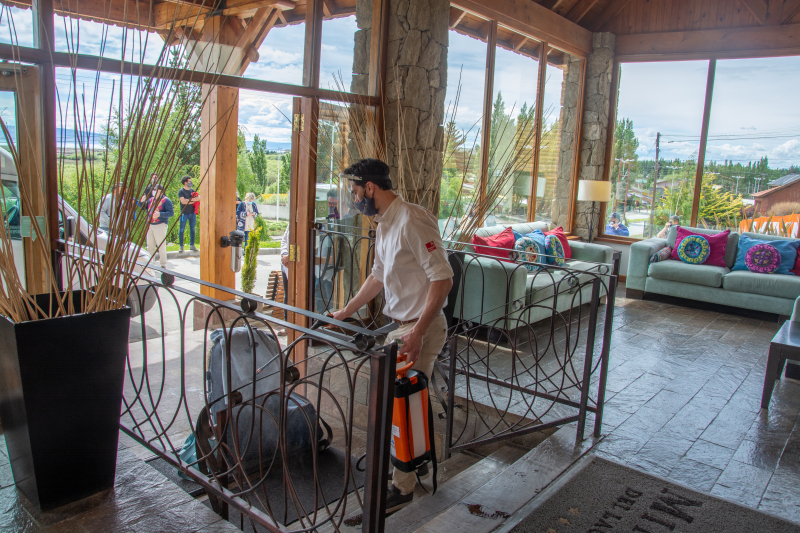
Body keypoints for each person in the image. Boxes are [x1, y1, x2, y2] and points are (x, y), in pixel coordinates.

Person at [331, 158, 453, 513]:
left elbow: (442, 279)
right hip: (404, 326)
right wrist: (344, 312)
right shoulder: (384, 223)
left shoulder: (412, 220)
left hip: (420, 328)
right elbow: (377, 277)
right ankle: (417, 458)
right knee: (403, 402)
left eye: (355, 191)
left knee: (395, 404)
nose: (354, 198)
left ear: (371, 187)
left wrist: (417, 332)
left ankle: (402, 487)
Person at [146, 185, 174, 268]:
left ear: (161, 191)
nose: (154, 191)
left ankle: (163, 264)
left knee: (161, 246)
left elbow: (170, 213)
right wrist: (141, 202)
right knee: (150, 246)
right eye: (153, 190)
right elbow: (144, 208)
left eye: (156, 190)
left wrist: (160, 214)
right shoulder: (151, 200)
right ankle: (151, 264)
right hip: (150, 225)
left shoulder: (166, 200)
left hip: (160, 225)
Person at [177, 175, 199, 252]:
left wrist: (188, 201)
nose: (190, 182)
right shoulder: (181, 191)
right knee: (182, 230)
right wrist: (193, 200)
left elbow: (199, 198)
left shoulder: (192, 190)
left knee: (192, 229)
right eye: (189, 181)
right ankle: (181, 246)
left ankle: (192, 245)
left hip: (192, 213)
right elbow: (182, 201)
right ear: (185, 182)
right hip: (184, 213)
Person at [276, 226, 290, 337]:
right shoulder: (291, 222)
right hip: (286, 265)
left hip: (299, 265)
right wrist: (284, 254)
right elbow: (284, 240)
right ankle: (287, 326)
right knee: (287, 296)